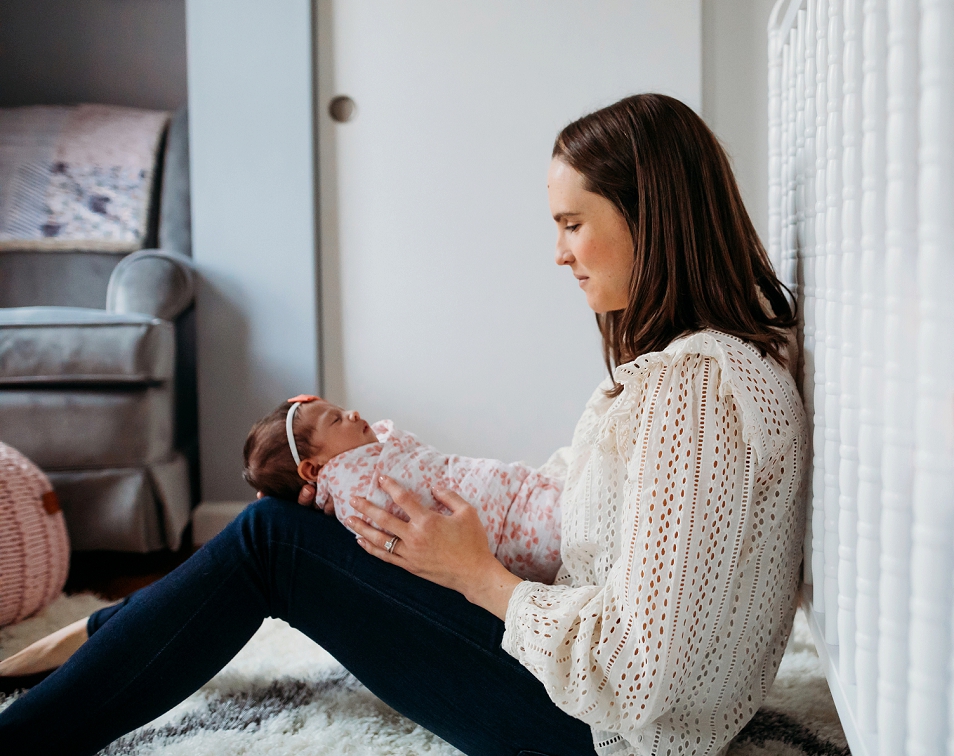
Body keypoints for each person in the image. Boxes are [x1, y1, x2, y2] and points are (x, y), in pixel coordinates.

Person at [0, 93, 808, 756]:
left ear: (652, 218)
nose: (559, 253)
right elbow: (600, 511)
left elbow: (640, 676)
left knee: (273, 540)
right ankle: (105, 639)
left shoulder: (698, 392)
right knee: (305, 523)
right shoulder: (697, 376)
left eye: (572, 222)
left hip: (596, 734)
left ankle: (43, 712)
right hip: (591, 706)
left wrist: (478, 576)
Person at [243, 396, 563, 583]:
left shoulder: (362, 463)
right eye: (336, 420)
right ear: (312, 469)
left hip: (506, 490)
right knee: (563, 523)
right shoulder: (358, 490)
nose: (352, 413)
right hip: (510, 522)